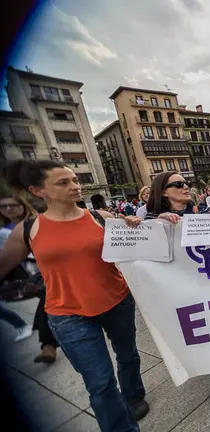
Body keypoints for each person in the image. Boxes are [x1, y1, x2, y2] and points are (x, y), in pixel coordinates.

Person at [0, 160, 148, 431]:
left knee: (128, 356)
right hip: (67, 315)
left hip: (117, 301)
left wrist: (137, 224)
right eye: (63, 182)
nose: (75, 186)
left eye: (75, 180)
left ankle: (133, 394)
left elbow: (141, 242)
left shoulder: (100, 217)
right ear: (38, 190)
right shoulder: (28, 229)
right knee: (100, 383)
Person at [138, 172, 210, 397]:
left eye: (186, 183)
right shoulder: (152, 220)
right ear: (163, 191)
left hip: (207, 281)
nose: (185, 187)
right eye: (178, 184)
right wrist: (153, 225)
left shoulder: (199, 213)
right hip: (177, 288)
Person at [0, 192, 58, 361]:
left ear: (23, 206)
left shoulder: (39, 222)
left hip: (49, 269)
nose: (8, 209)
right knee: (49, 300)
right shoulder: (3, 231)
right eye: (3, 206)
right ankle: (48, 344)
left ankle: (48, 345)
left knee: (48, 301)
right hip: (26, 276)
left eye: (12, 205)